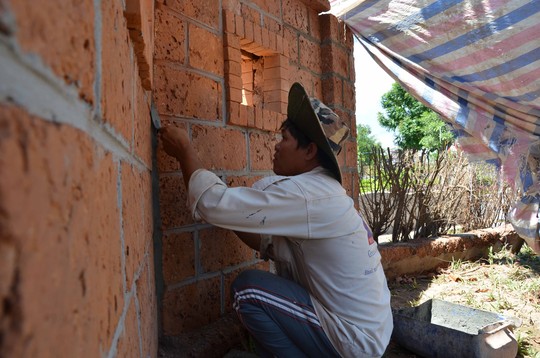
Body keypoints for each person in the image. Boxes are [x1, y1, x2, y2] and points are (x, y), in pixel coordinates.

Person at [159, 82, 393, 357]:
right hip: (371, 336)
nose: (276, 146)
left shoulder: (306, 195)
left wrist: (185, 150)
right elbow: (267, 242)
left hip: (354, 341)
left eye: (284, 139)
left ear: (309, 151)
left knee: (248, 291)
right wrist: (239, 216)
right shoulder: (324, 193)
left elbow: (211, 205)